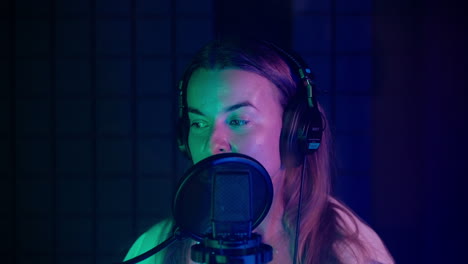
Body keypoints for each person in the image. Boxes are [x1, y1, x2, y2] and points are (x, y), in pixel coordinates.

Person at [124, 38, 394, 264]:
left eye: (239, 121)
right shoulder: (155, 249)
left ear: (294, 133)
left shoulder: (349, 249)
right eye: (199, 123)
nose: (213, 143)